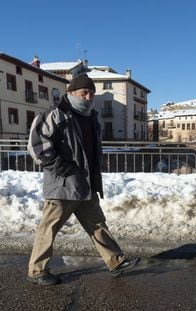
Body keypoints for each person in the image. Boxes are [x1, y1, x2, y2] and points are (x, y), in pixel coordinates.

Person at [27, 74, 139, 285]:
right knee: (48, 227)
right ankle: (37, 270)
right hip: (63, 184)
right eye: (84, 93)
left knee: (97, 224)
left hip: (86, 183)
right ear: (71, 93)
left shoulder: (91, 117)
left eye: (91, 93)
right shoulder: (55, 115)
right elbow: (37, 146)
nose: (88, 97)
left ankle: (116, 261)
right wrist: (62, 168)